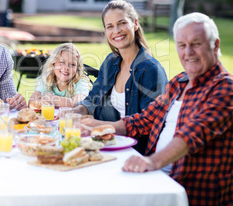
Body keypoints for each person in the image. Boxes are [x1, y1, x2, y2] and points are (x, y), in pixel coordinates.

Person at [82, 12, 233, 206]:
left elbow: (193, 134)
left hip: (188, 192)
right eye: (182, 45)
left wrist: (152, 162)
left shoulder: (225, 87)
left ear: (216, 45)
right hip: (153, 178)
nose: (188, 52)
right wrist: (96, 127)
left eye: (196, 43)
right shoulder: (180, 81)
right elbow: (144, 119)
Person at [72, 0, 168, 154]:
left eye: (122, 23)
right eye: (110, 26)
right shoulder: (111, 62)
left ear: (135, 24)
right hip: (104, 145)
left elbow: (150, 123)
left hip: (134, 152)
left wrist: (95, 125)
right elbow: (93, 97)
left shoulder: (151, 70)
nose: (116, 30)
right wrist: (77, 111)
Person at [28, 43, 91, 108]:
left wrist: (51, 99)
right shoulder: (48, 78)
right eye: (62, 62)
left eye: (72, 64)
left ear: (77, 68)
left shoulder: (81, 82)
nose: (66, 68)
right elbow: (31, 102)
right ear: (53, 63)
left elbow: (75, 103)